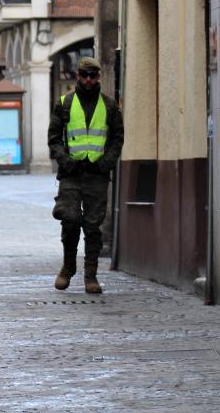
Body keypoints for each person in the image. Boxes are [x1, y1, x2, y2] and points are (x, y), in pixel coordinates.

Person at [47, 56, 124, 294]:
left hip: (97, 175)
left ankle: (91, 275)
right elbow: (54, 139)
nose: (89, 80)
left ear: (98, 77)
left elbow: (117, 139)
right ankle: (68, 267)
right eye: (85, 76)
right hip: (71, 174)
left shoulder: (110, 106)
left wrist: (106, 164)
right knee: (69, 219)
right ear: (78, 76)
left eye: (93, 76)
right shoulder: (65, 103)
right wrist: (66, 161)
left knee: (93, 226)